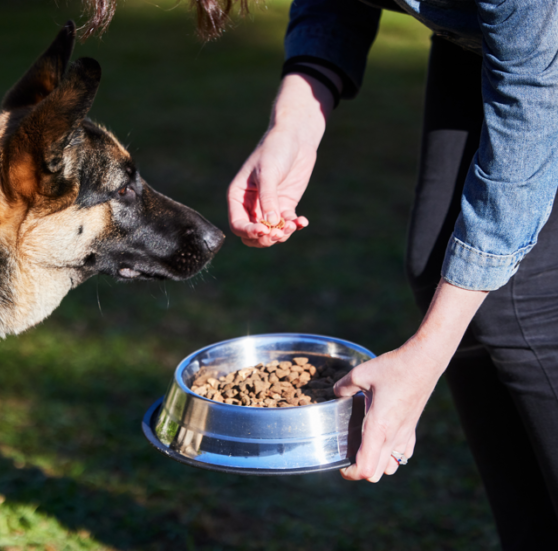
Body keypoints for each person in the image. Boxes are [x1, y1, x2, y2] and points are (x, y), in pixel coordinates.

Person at [223, 1, 558, 549]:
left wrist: (427, 357)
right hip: (479, 40)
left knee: (521, 303)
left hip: (539, 58)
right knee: (441, 273)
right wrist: (298, 119)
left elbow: (535, 100)